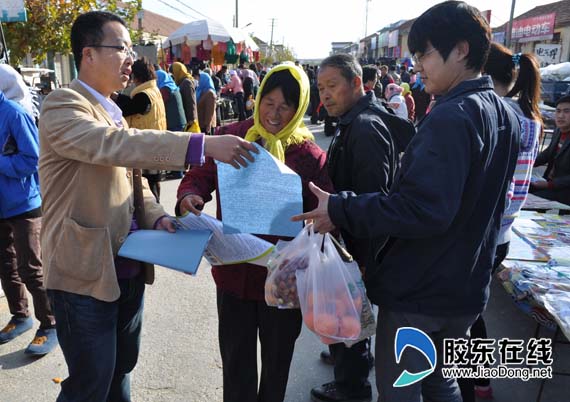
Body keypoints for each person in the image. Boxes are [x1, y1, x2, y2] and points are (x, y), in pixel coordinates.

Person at [293, 3, 521, 401]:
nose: (418, 66)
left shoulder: (453, 116)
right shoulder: (505, 113)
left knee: (402, 389)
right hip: (465, 287)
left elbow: (421, 209)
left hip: (423, 290)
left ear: (461, 50)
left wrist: (340, 207)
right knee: (439, 382)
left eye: (425, 54)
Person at [38, 11, 257, 402]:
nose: (130, 57)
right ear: (88, 54)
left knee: (121, 369)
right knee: (91, 384)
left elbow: (133, 177)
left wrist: (156, 217)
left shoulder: (111, 109)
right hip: (83, 274)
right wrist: (202, 144)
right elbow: (114, 146)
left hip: (128, 266)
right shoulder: (62, 106)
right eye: (120, 47)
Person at [176, 63, 332, 402]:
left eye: (285, 106)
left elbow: (323, 212)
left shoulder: (309, 155)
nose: (274, 113)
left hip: (283, 280)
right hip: (234, 276)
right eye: (269, 102)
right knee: (236, 364)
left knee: (277, 364)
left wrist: (320, 219)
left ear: (299, 107)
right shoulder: (234, 137)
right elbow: (199, 174)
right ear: (257, 98)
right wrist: (190, 195)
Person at [457, 41, 543, 402]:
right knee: (470, 311)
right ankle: (476, 383)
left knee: (463, 316)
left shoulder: (497, 114)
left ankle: (474, 385)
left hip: (482, 233)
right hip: (503, 233)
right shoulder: (532, 117)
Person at [311, 54, 399, 402]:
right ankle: (347, 361)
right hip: (352, 238)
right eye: (321, 88)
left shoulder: (364, 127)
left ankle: (352, 388)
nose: (326, 95)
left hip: (358, 244)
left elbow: (374, 199)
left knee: (350, 312)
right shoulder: (356, 120)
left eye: (332, 86)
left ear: (357, 84)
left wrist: (361, 258)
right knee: (349, 315)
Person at [0, 89, 58, 356]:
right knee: (5, 266)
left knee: (31, 268)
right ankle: (20, 316)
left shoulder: (15, 113)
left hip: (24, 204)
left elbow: (33, 159)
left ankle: (50, 324)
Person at [114, 58, 167, 202]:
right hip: (157, 144)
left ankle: (155, 220)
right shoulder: (153, 90)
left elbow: (129, 108)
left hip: (147, 147)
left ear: (136, 76)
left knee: (148, 191)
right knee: (154, 186)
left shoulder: (144, 95)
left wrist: (113, 97)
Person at [531, 95, 570, 205]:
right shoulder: (558, 131)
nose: (561, 116)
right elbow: (547, 154)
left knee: (533, 200)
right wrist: (526, 163)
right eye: (558, 111)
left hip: (564, 191)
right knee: (518, 188)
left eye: (566, 111)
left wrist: (550, 185)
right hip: (548, 183)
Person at [171, 61, 199, 130]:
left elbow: (191, 102)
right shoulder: (180, 81)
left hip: (189, 120)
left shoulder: (187, 82)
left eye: (173, 73)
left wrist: (191, 120)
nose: (173, 75)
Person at [192, 68, 217, 135]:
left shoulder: (210, 93)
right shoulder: (200, 91)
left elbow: (210, 109)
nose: (198, 80)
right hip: (201, 122)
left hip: (206, 125)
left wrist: (208, 124)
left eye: (199, 78)